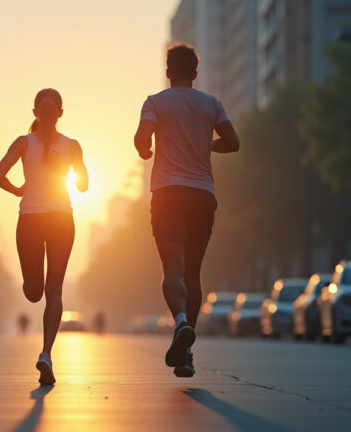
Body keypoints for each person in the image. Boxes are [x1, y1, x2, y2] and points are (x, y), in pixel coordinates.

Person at [133, 43, 240, 378]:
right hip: (202, 196)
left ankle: (181, 324)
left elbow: (141, 140)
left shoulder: (155, 102)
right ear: (195, 73)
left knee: (171, 271)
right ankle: (186, 354)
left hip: (168, 194)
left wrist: (147, 149)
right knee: (193, 274)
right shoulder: (211, 104)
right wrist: (205, 143)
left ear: (168, 72)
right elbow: (233, 142)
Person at [0, 88, 89, 385]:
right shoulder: (26, 143)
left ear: (59, 113)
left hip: (50, 218)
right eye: (45, 111)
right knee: (41, 291)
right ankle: (46, 351)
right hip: (42, 220)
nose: (48, 116)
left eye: (51, 111)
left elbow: (83, 184)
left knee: (49, 290)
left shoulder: (68, 145)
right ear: (38, 114)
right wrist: (21, 189)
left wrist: (65, 171)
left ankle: (46, 354)